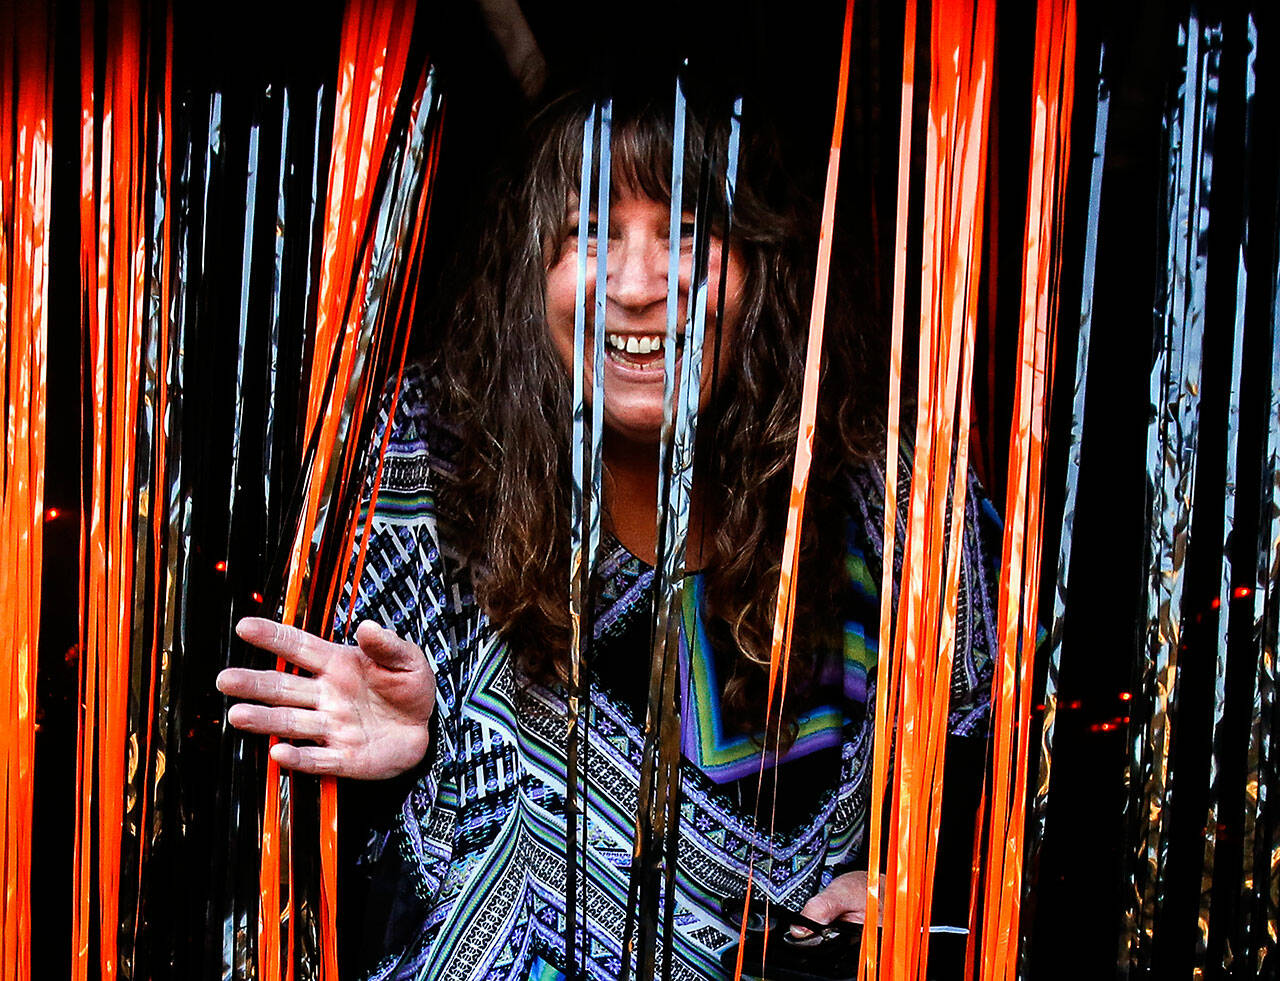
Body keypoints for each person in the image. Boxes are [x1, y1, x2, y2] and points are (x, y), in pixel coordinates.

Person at [217, 86, 1001, 980]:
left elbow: (1004, 755)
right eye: (592, 233)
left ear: (763, 268)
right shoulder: (426, 474)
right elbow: (292, 870)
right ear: (531, 274)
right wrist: (421, 751)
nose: (635, 287)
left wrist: (920, 885)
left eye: (686, 234)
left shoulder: (887, 497)